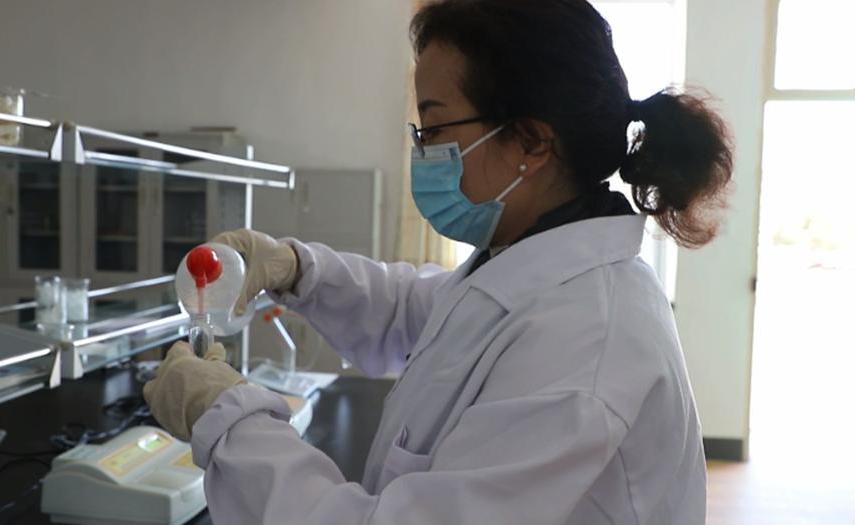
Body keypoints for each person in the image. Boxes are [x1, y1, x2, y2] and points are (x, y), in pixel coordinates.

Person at [143, 0, 733, 523]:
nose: (422, 151)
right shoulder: (523, 265)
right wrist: (296, 268)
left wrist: (228, 420)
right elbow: (417, 309)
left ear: (531, 142)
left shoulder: (586, 342)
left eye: (434, 127)